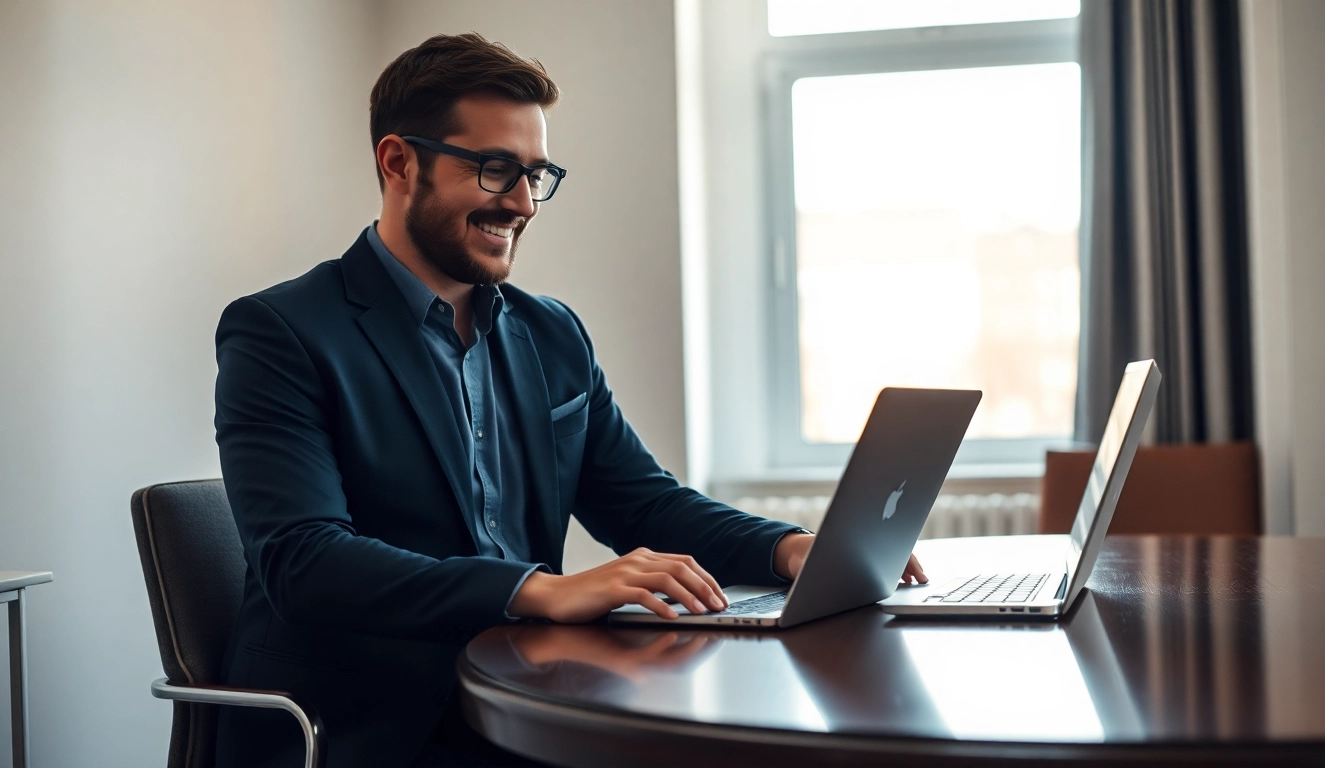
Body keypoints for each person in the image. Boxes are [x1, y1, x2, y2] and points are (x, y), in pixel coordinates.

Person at [213, 32, 925, 768]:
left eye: (536, 174)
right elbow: (306, 562)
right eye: (495, 170)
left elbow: (642, 503)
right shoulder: (282, 332)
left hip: (520, 698)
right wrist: (537, 590)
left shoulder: (550, 333)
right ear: (399, 162)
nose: (522, 203)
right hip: (362, 729)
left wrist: (788, 548)